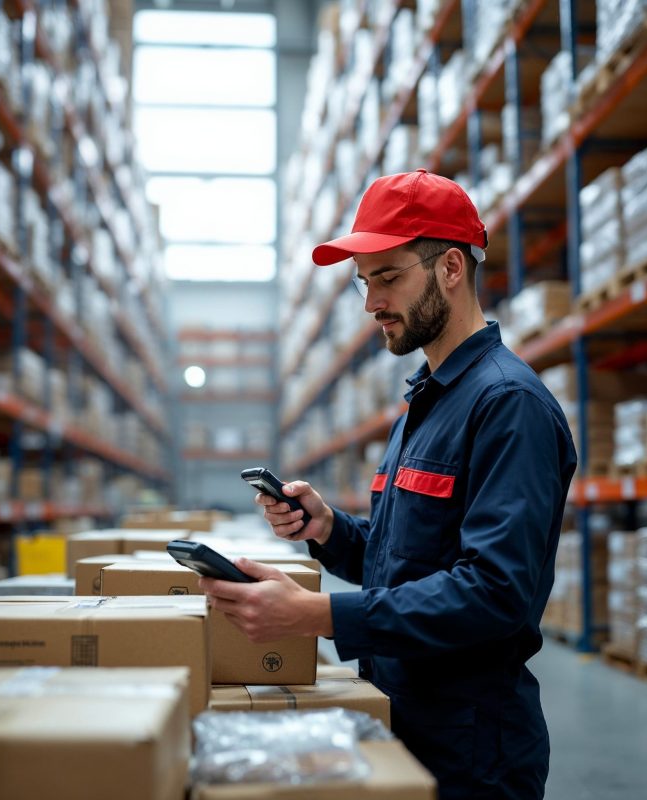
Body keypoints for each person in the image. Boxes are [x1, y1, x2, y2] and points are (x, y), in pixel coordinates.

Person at [198, 169, 578, 799]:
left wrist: (316, 615)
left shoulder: (508, 404)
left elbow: (494, 593)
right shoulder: (426, 403)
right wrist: (330, 531)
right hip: (404, 714)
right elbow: (410, 557)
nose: (371, 302)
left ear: (451, 268)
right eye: (363, 282)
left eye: (389, 276)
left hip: (472, 746)